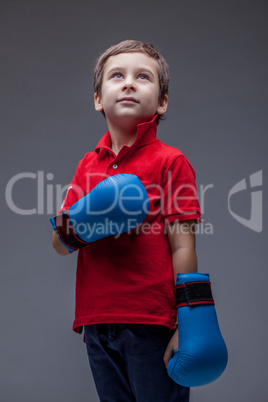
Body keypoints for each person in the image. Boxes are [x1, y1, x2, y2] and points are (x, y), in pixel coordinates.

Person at [52, 40, 201, 402]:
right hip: (96, 318)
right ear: (98, 99)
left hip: (152, 320)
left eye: (143, 76)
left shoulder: (171, 161)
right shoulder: (88, 165)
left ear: (162, 102)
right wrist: (92, 217)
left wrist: (189, 321)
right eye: (117, 75)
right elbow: (60, 244)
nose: (129, 83)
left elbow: (183, 244)